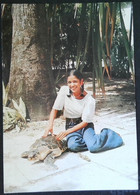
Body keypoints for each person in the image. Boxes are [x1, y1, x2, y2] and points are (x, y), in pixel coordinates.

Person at [42, 69, 123, 153]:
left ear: (81, 82)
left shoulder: (89, 100)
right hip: (70, 125)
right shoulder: (63, 91)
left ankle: (108, 135)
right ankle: (92, 141)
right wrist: (50, 125)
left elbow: (85, 122)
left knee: (93, 147)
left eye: (75, 82)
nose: (72, 85)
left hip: (85, 126)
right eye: (69, 82)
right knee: (73, 146)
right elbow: (55, 109)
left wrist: (66, 133)